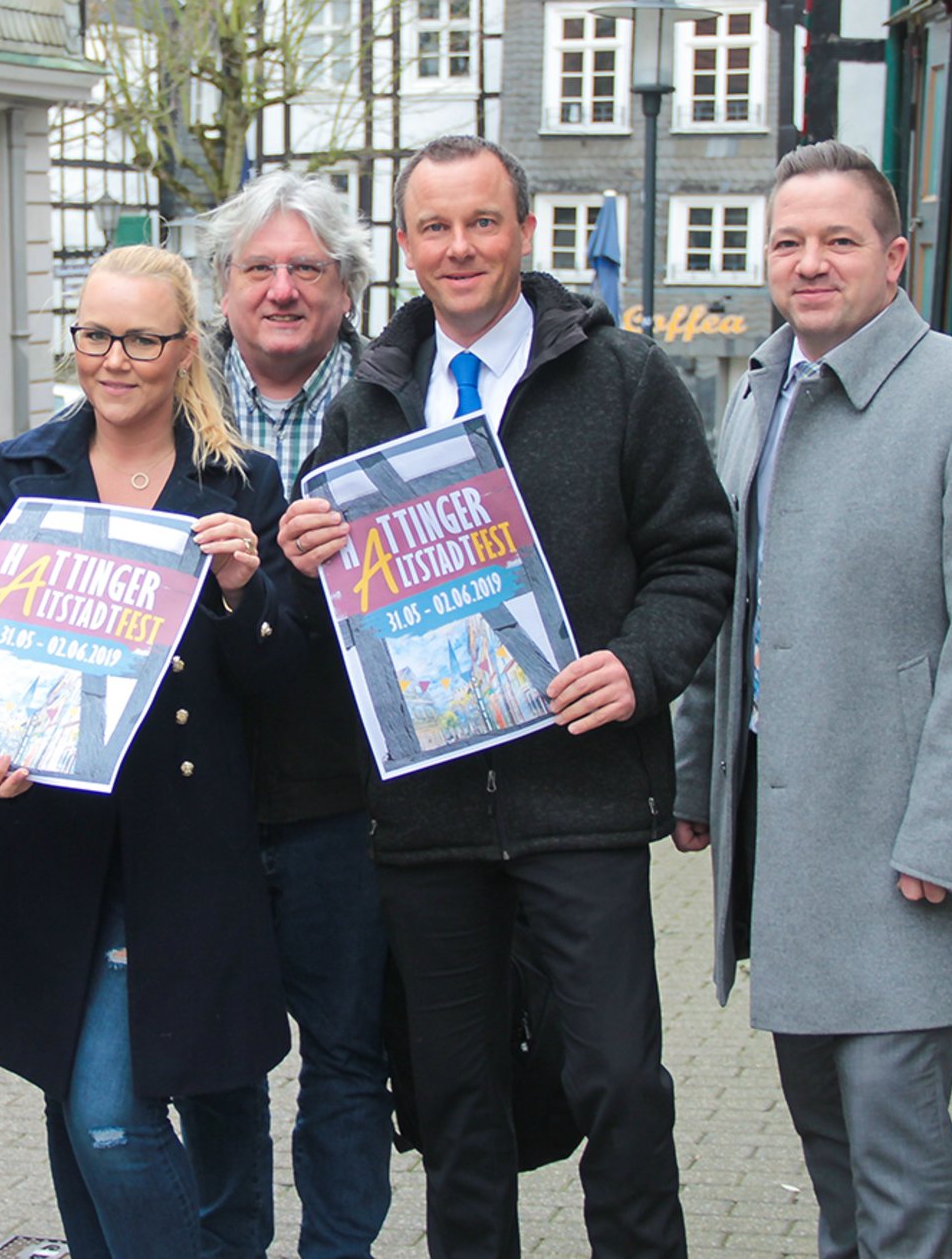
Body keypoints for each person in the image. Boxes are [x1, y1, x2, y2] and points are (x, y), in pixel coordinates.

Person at [279, 135, 733, 1258]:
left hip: (575, 798)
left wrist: (635, 666)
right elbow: (337, 616)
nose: (458, 247)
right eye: (433, 227)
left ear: (522, 232)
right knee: (456, 1107)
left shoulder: (623, 379)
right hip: (426, 818)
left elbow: (696, 557)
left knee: (619, 1082)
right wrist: (301, 554)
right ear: (403, 247)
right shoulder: (368, 400)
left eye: (481, 222)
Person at [672, 141, 952, 1258]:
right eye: (788, 241)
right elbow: (728, 599)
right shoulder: (759, 392)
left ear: (893, 258)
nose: (809, 263)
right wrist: (694, 777)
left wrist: (949, 836)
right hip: (785, 853)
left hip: (900, 857)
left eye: (838, 241)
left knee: (894, 1166)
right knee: (828, 1154)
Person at [0, 243, 299, 1258]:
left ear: (184, 350)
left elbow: (277, 683)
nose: (111, 359)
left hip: (187, 849)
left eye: (139, 338)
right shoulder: (24, 469)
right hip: (52, 841)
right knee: (74, 1100)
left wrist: (244, 592)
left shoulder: (240, 481)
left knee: (132, 1112)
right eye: (93, 334)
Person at [184, 170, 395, 1258]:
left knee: (348, 1055)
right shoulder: (167, 403)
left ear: (346, 289)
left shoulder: (399, 409)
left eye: (304, 269)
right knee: (219, 1059)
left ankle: (337, 1251)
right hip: (204, 794)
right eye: (255, 269)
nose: (278, 290)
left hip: (342, 797)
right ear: (219, 288)